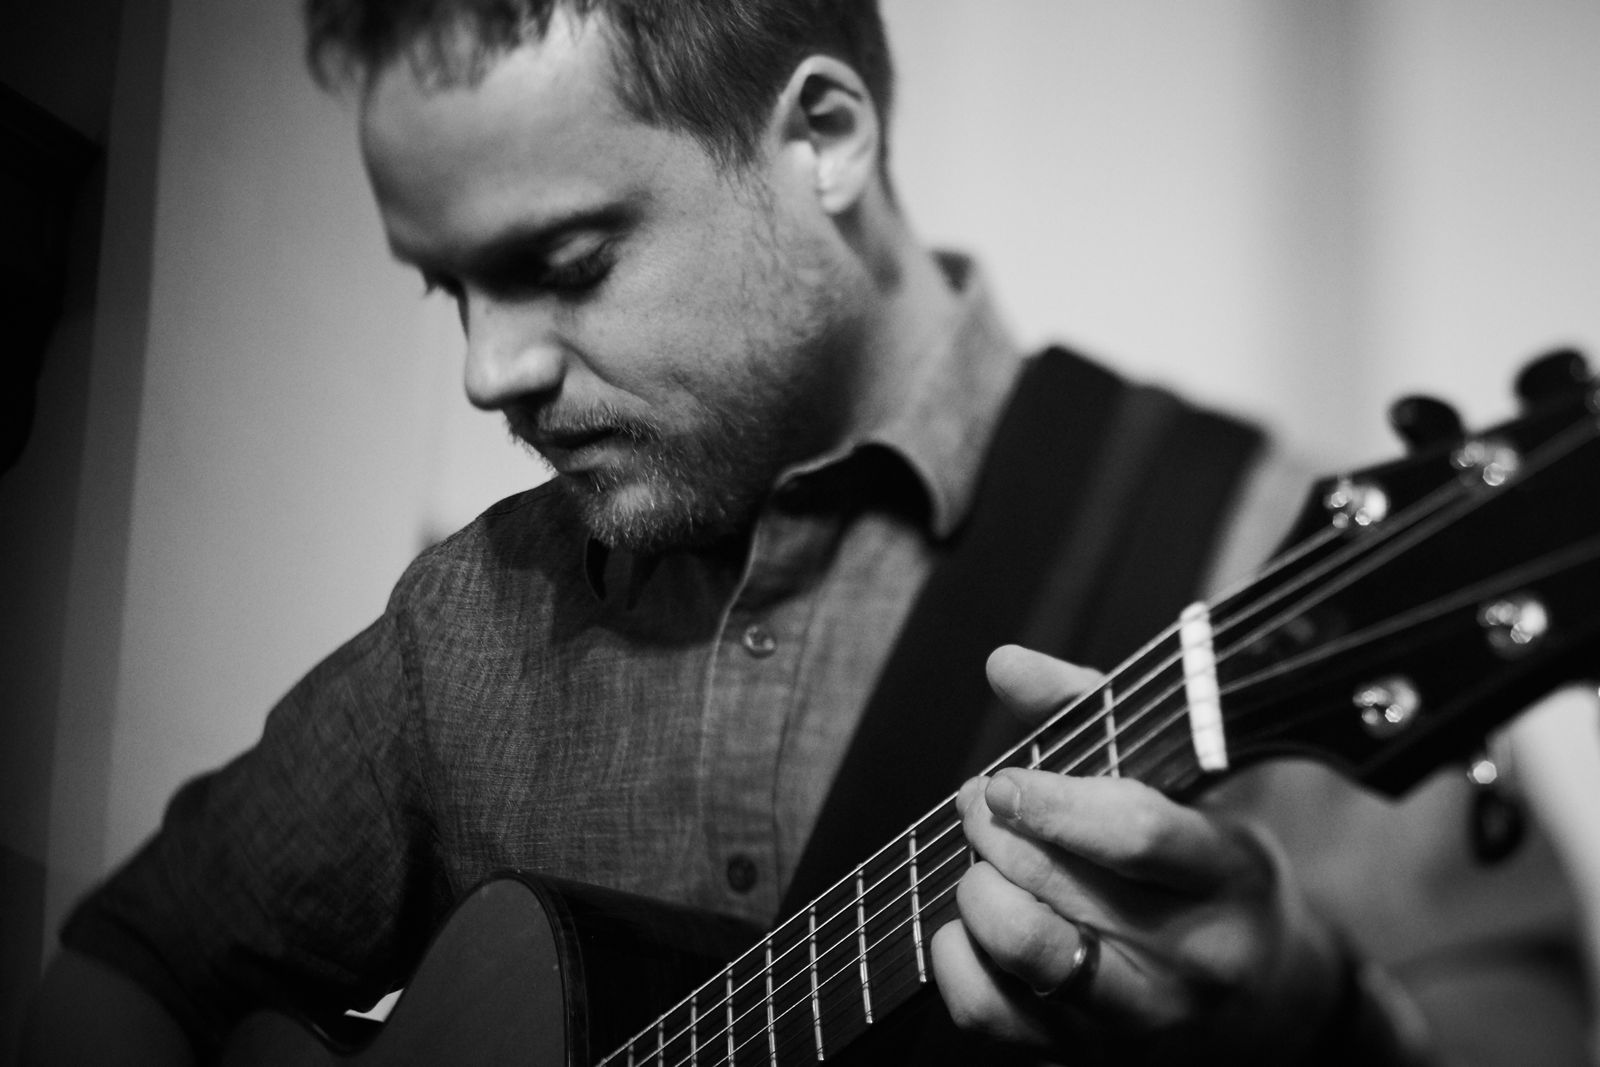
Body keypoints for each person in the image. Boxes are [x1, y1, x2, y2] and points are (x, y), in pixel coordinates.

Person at [23, 2, 1592, 1064]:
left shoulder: (1258, 545)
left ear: (825, 136)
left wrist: (1311, 1020)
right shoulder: (467, 621)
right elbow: (131, 963)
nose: (488, 372)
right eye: (451, 287)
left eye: (563, 264)